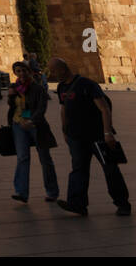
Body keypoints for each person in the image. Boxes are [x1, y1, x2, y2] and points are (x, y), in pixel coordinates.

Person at [49, 57, 130, 216]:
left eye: (54, 71)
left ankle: (123, 204)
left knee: (110, 169)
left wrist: (107, 133)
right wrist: (65, 131)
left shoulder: (87, 85)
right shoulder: (61, 88)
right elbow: (64, 109)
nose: (51, 74)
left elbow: (104, 108)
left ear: (64, 69)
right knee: (78, 170)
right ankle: (77, 204)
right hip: (76, 137)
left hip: (97, 135)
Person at [7, 60, 59, 204]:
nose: (22, 73)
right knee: (22, 158)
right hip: (19, 125)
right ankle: (21, 192)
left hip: (36, 125)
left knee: (45, 159)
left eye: (24, 70)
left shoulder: (37, 88)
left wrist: (32, 120)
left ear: (29, 72)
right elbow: (12, 107)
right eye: (18, 71)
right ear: (15, 73)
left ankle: (52, 192)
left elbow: (41, 108)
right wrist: (11, 96)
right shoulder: (14, 87)